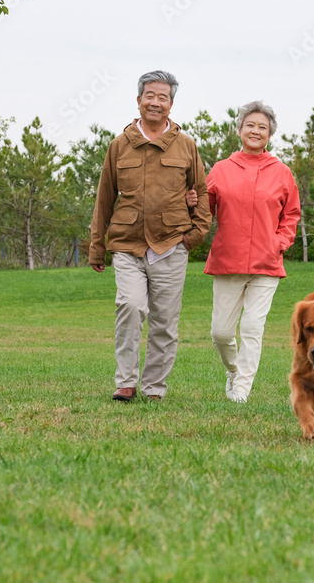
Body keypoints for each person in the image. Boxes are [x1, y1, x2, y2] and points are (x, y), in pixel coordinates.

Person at [89, 70, 211, 402]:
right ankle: (125, 381)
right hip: (128, 244)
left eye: (163, 97)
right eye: (150, 96)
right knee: (129, 306)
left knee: (165, 323)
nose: (156, 102)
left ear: (171, 104)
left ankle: (155, 388)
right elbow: (104, 199)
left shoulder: (186, 145)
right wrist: (96, 248)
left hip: (172, 244)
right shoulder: (119, 145)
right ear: (139, 99)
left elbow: (201, 192)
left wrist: (194, 236)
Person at [201, 101, 301, 403]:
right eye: (250, 125)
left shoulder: (281, 172)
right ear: (240, 129)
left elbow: (292, 214)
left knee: (253, 328)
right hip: (227, 261)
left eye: (262, 127)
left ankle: (242, 389)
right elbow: (204, 212)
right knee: (220, 332)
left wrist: (279, 243)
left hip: (266, 264)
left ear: (270, 134)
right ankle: (233, 370)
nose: (256, 131)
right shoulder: (221, 170)